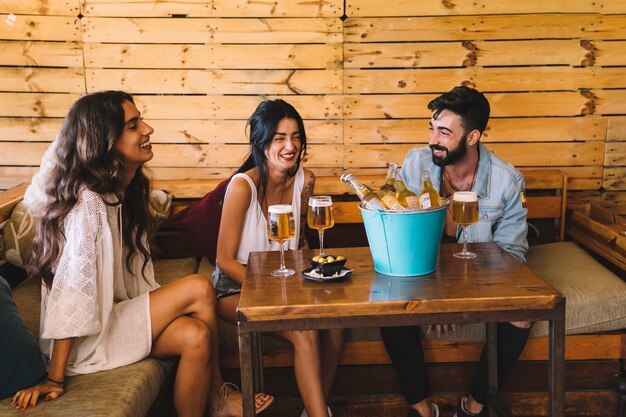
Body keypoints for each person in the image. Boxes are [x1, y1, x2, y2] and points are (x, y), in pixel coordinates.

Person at [10, 91, 273, 417]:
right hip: (88, 338)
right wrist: (53, 376)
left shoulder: (122, 191)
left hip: (113, 317)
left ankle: (212, 406)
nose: (147, 129)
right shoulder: (88, 203)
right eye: (133, 126)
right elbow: (72, 288)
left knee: (196, 336)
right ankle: (218, 396)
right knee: (198, 287)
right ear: (104, 139)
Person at [381, 86, 530, 417]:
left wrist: (458, 295)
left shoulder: (508, 181)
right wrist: (434, 296)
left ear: (473, 136)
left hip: (477, 278)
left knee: (522, 314)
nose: (434, 139)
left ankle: (475, 406)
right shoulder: (416, 163)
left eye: (445, 132)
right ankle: (422, 408)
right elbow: (400, 238)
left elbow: (513, 258)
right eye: (432, 128)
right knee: (387, 303)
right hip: (424, 271)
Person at [214, 99, 344, 417]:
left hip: (285, 283)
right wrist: (270, 291)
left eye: (296, 136)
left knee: (337, 324)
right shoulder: (242, 187)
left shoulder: (304, 181)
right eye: (279, 138)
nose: (291, 145)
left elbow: (299, 244)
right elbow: (223, 261)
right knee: (304, 329)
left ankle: (314, 408)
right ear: (261, 142)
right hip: (235, 289)